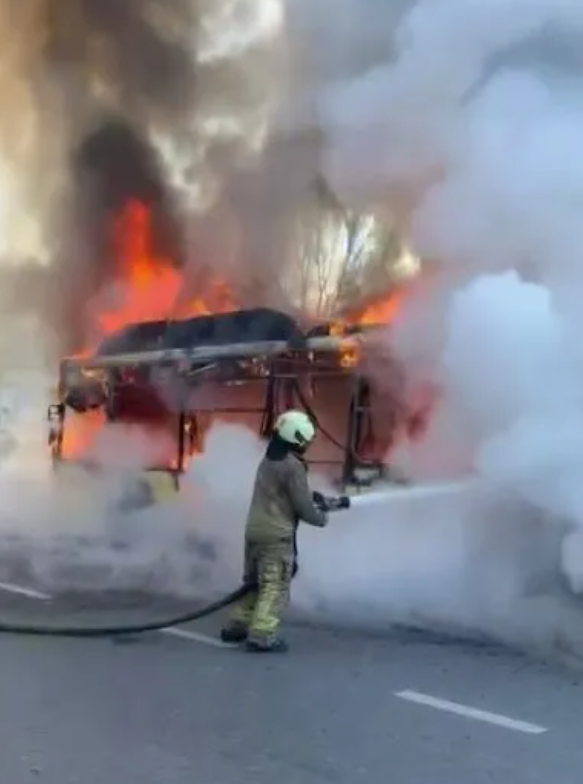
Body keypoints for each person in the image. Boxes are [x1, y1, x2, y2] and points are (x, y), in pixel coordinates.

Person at [220, 409, 349, 653]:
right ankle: (262, 634)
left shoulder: (269, 459)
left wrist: (318, 500)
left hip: (255, 532)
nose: (308, 445)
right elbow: (302, 507)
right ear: (297, 439)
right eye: (307, 441)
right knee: (275, 586)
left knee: (253, 584)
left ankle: (236, 626)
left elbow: (283, 495)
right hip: (276, 537)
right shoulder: (293, 466)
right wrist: (321, 517)